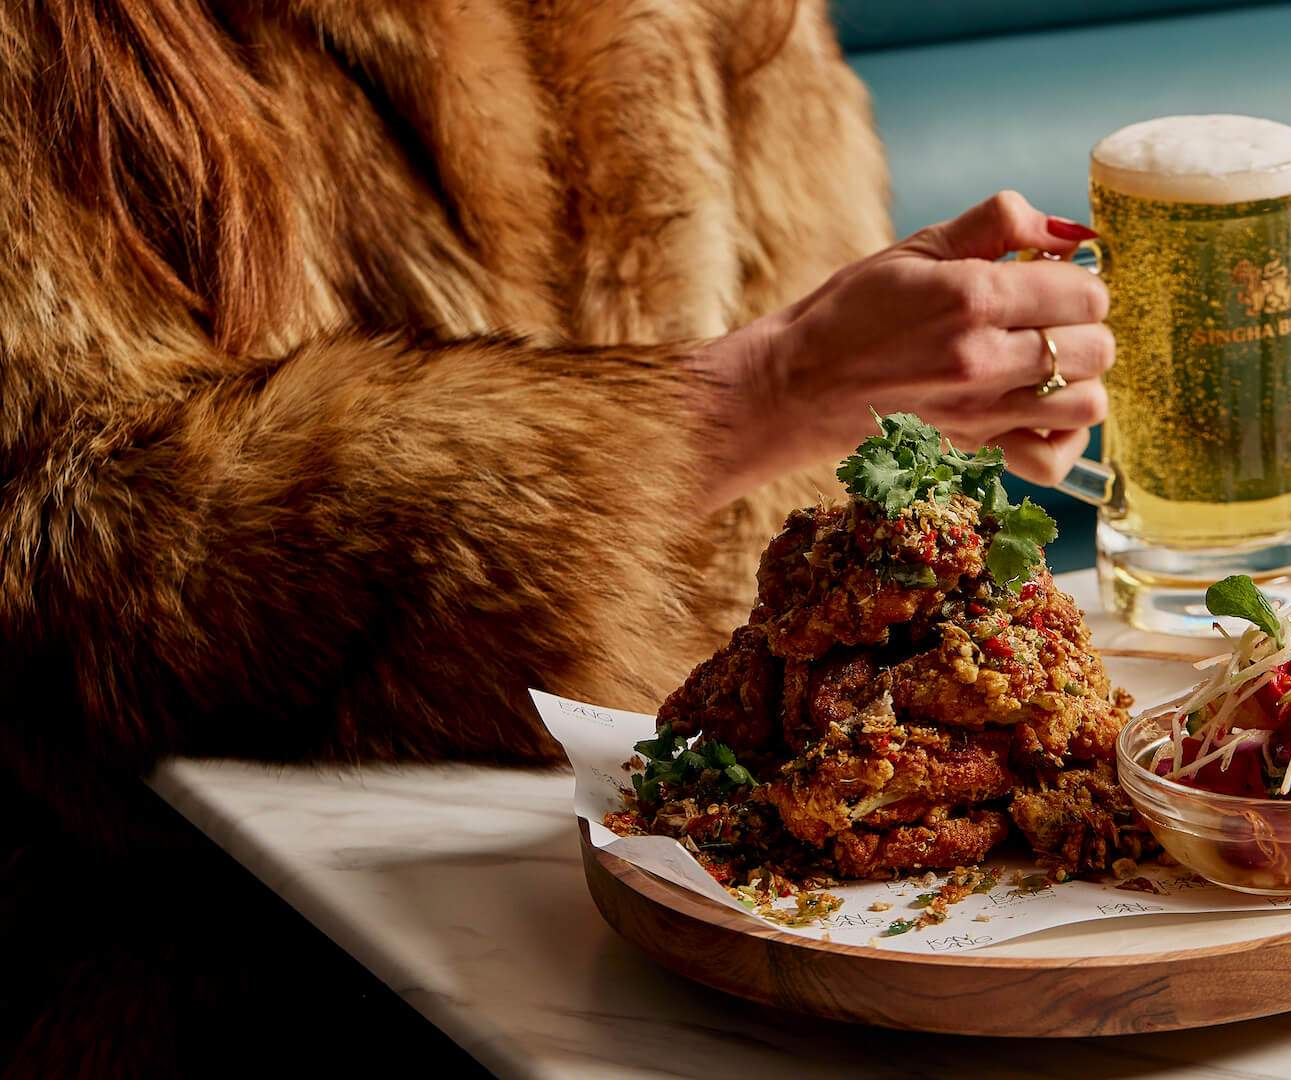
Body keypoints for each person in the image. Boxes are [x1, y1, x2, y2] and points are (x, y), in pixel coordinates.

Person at [0, 1, 1109, 1071]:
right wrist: (745, 400)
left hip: (708, 913)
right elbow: (65, 544)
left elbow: (776, 537)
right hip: (222, 963)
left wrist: (897, 394)